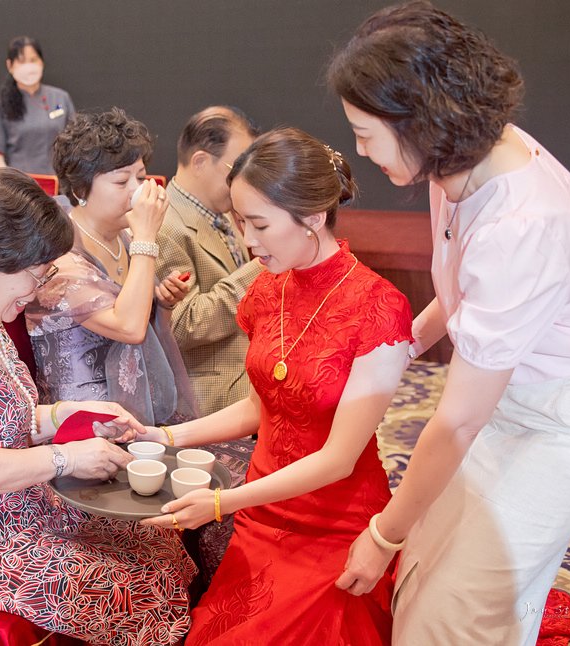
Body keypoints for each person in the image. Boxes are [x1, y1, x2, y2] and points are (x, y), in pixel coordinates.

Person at [327, 3, 570, 644]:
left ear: (422, 120)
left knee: (458, 610)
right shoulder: (454, 162)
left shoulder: (521, 220)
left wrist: (382, 534)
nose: (358, 149)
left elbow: (458, 419)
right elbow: (468, 291)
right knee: (431, 576)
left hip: (569, 418)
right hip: (507, 392)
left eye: (365, 131)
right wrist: (396, 348)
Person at [0, 168, 196, 645]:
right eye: (36, 274)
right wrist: (69, 457)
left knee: (159, 542)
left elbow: (9, 416)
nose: (38, 290)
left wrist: (77, 413)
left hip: (30, 509)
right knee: (130, 588)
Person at [142, 127, 413, 644]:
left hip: (335, 526)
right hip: (261, 516)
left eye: (261, 225)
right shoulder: (268, 289)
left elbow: (337, 458)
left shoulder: (378, 308)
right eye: (241, 222)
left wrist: (223, 503)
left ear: (313, 217)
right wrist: (165, 438)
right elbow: (257, 407)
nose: (248, 240)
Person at [26, 108, 198, 425]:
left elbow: (142, 324)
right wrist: (147, 237)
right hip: (86, 425)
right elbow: (129, 329)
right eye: (121, 181)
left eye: (141, 178)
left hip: (139, 413)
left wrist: (162, 304)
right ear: (79, 191)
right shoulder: (59, 260)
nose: (137, 191)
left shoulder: (125, 239)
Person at [155, 106, 263, 416]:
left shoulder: (223, 213)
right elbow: (182, 326)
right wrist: (259, 269)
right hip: (208, 398)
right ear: (201, 161)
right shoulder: (166, 225)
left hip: (245, 383)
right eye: (237, 166)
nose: (245, 177)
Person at [0, 36, 75, 175]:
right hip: (20, 189)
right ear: (10, 65)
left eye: (33, 60)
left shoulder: (61, 98)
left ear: (41, 62)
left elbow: (75, 144)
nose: (28, 66)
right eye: (21, 61)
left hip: (59, 185)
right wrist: (9, 187)